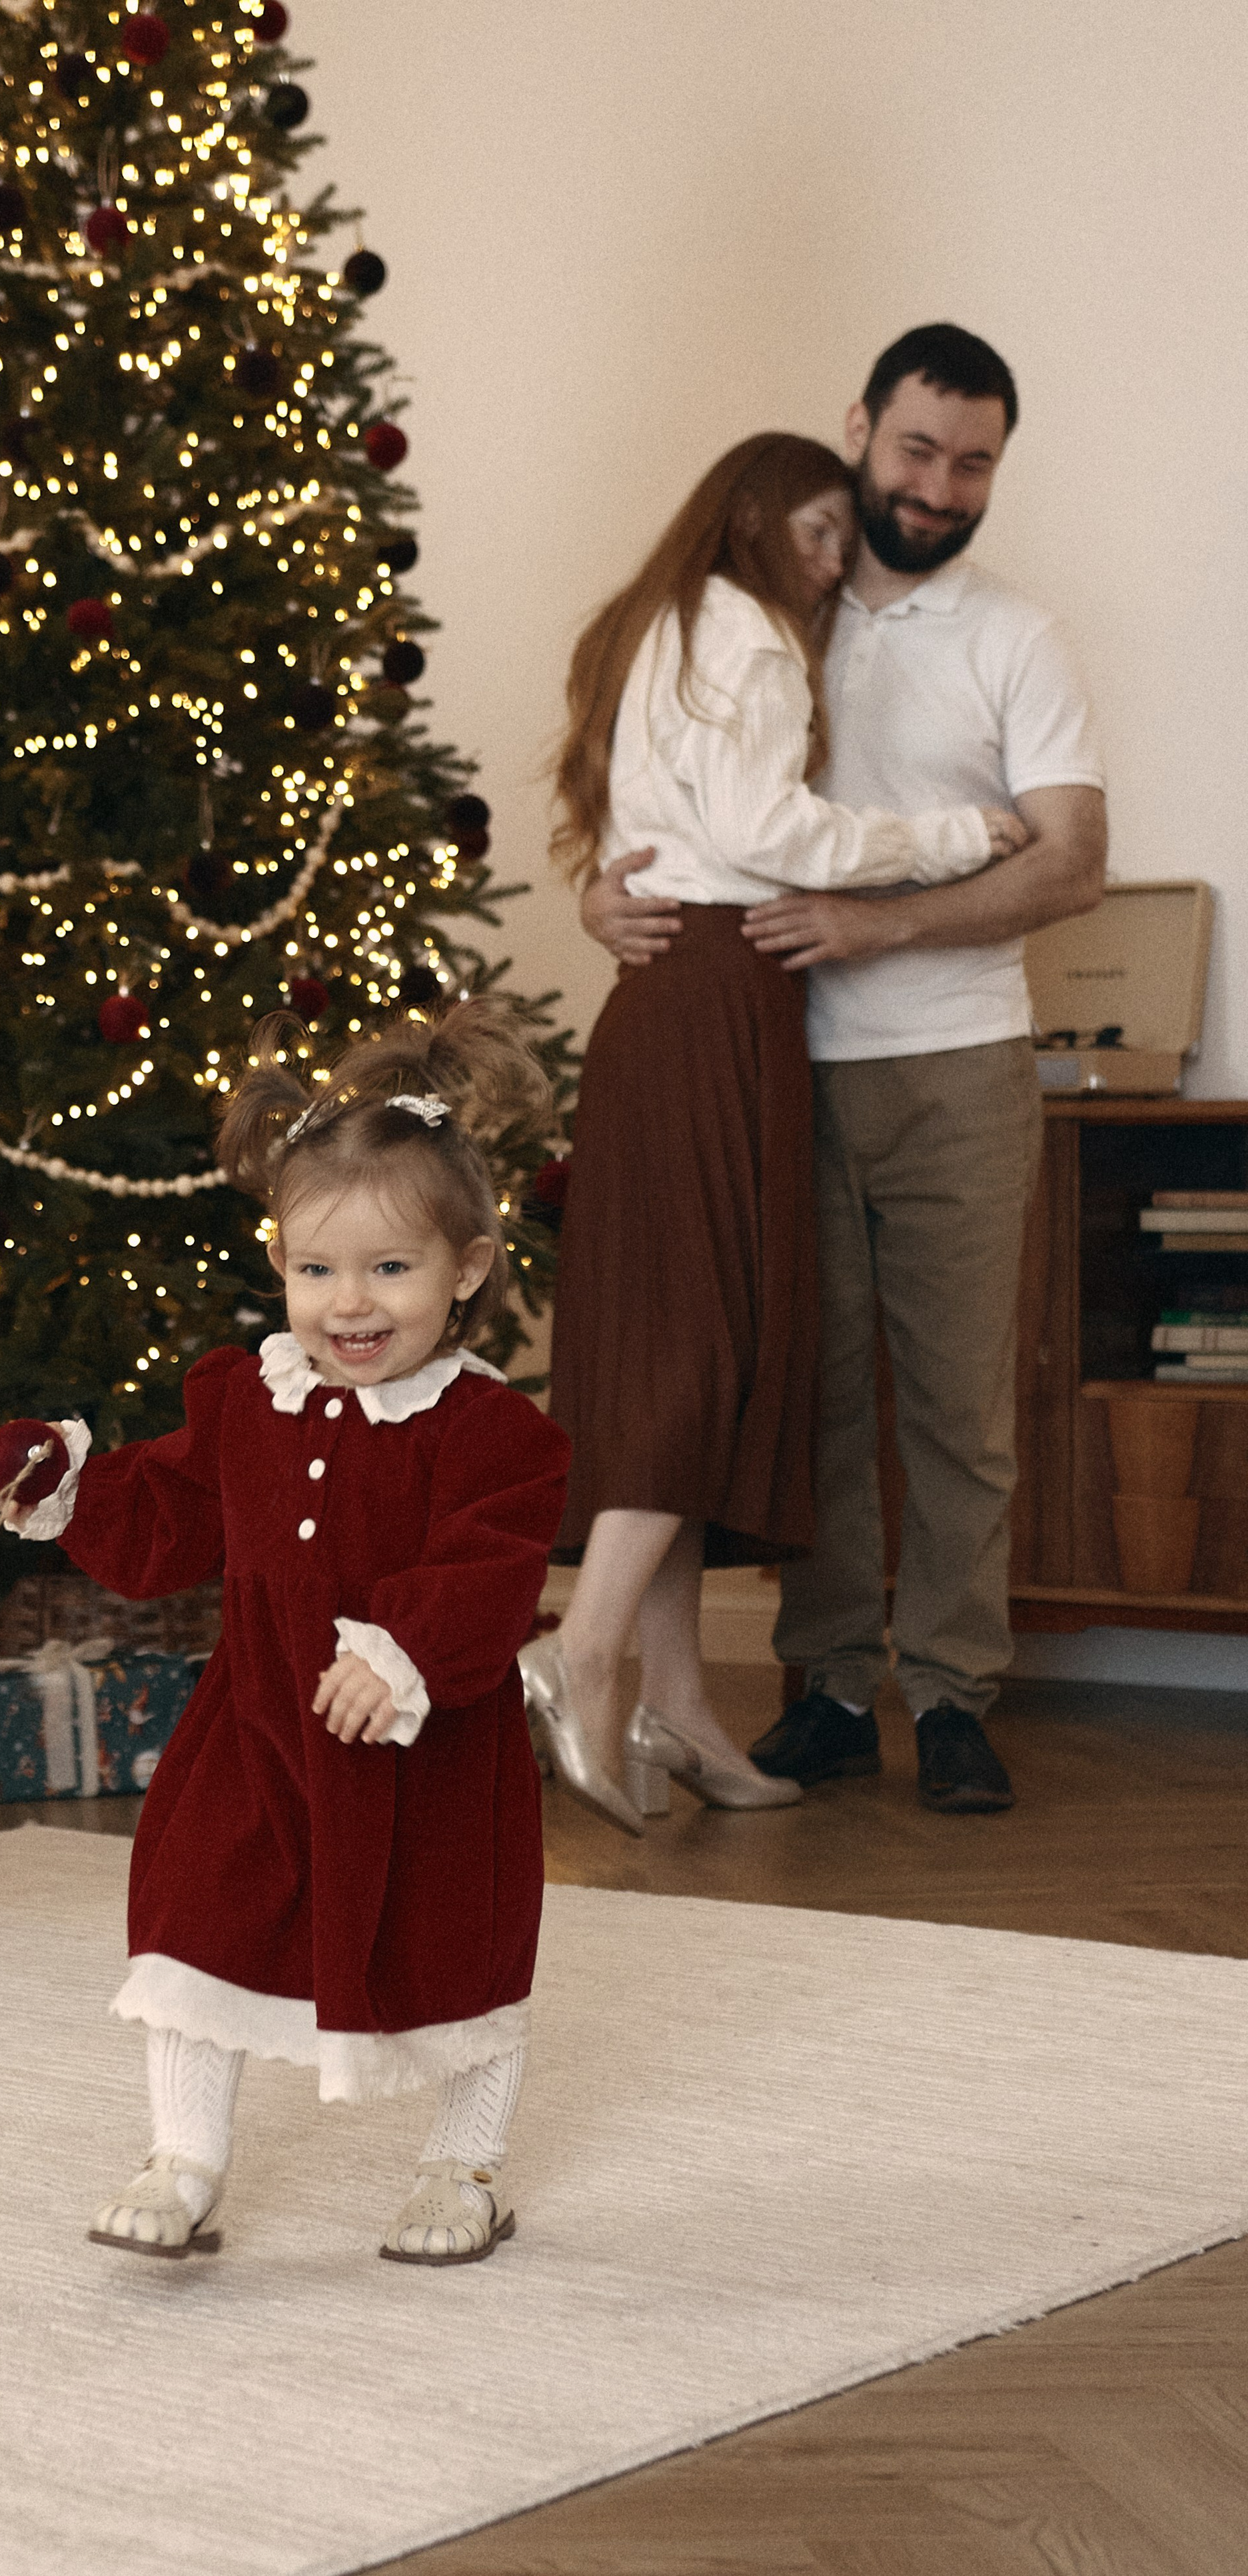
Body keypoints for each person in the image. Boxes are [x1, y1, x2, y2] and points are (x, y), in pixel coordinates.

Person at [582, 325, 1107, 1814]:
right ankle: (822, 1688)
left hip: (953, 1064)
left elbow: (1070, 863)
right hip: (773, 1067)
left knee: (954, 1404)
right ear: (859, 432)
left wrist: (874, 924)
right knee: (800, 1398)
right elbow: (678, 812)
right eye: (915, 451)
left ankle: (948, 1696)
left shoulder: (1015, 636)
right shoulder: (767, 615)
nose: (938, 486)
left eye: (972, 462)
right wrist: (602, 899)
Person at [0, 1000, 569, 2266]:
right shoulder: (254, 1396)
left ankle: (463, 2164)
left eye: (389, 1270)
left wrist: (396, 1648)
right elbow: (177, 1503)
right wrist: (68, 1485)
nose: (348, 1303)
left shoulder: (491, 1432)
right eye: (316, 1270)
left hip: (423, 1754)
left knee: (449, 1945)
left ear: (467, 1268)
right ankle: (185, 2156)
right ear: (283, 1264)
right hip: (254, 1725)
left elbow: (493, 1562)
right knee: (197, 1916)